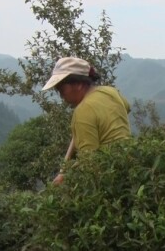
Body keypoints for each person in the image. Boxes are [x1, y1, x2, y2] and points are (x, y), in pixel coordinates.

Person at [42, 57, 132, 185]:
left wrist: (65, 176)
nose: (61, 96)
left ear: (78, 84)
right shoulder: (110, 92)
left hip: (111, 178)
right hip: (131, 164)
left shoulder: (83, 111)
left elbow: (89, 162)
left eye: (62, 89)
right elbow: (126, 107)